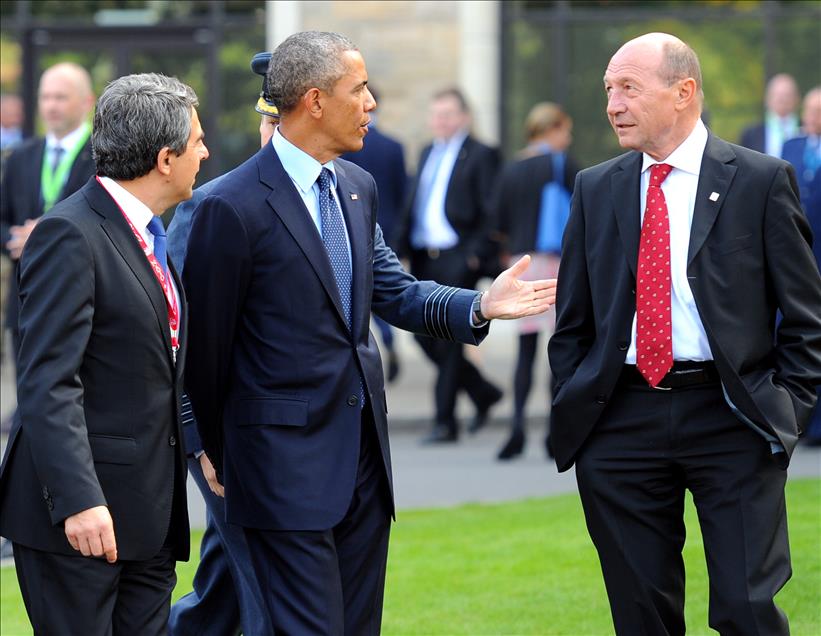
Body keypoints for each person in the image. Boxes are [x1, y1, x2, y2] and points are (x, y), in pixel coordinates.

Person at [183, 31, 555, 635]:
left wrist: (482, 305)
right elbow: (204, 350)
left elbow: (398, 292)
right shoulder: (229, 205)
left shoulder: (357, 188)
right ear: (314, 101)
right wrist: (213, 453)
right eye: (359, 89)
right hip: (277, 475)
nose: (372, 103)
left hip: (361, 468)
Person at [549, 32, 821, 635]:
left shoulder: (760, 180)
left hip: (732, 418)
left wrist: (787, 413)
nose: (612, 104)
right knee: (642, 616)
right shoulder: (597, 187)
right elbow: (574, 322)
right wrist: (580, 403)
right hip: (620, 422)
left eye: (628, 88)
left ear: (684, 92)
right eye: (607, 90)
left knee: (748, 609)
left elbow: (807, 319)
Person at [0, 73, 209, 634]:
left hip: (148, 518)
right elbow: (48, 382)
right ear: (165, 159)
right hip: (79, 522)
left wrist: (198, 444)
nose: (206, 152)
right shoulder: (70, 233)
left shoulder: (149, 231)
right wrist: (79, 501)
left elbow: (156, 367)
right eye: (197, 141)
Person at [166, 52, 275, 636]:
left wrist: (474, 306)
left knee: (220, 595)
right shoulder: (215, 204)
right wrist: (198, 436)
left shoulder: (342, 194)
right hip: (225, 439)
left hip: (289, 443)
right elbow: (182, 337)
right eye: (268, 122)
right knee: (268, 599)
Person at [396, 87, 503, 443]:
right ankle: (482, 391)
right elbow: (415, 204)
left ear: (464, 117)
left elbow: (492, 209)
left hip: (459, 257)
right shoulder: (428, 152)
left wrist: (475, 254)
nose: (439, 121)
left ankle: (445, 422)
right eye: (436, 114)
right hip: (426, 258)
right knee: (424, 336)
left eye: (447, 114)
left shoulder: (481, 154)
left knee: (450, 338)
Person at [0, 63, 96, 422]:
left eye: (60, 97)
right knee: (29, 400)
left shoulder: (103, 155)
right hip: (25, 298)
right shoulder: (21, 157)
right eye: (45, 97)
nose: (51, 105)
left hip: (78, 295)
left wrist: (43, 236)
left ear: (86, 101)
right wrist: (14, 237)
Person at [493, 102, 578, 460]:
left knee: (525, 352)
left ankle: (516, 429)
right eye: (566, 132)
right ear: (554, 129)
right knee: (559, 348)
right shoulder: (562, 166)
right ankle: (554, 432)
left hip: (521, 264)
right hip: (557, 263)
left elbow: (495, 218)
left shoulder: (513, 169)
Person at [341, 86, 407, 382]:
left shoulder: (347, 147)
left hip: (350, 226)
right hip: (387, 227)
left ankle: (372, 342)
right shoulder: (393, 146)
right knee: (379, 287)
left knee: (361, 292)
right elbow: (404, 195)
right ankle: (386, 338)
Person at [782, 85, 821, 445]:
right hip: (796, 252)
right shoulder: (791, 147)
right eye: (810, 110)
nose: (813, 117)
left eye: (818, 111)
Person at [739, 72, 801, 157]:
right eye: (777, 95)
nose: (782, 100)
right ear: (767, 99)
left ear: (797, 98)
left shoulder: (807, 129)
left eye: (787, 95)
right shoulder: (751, 133)